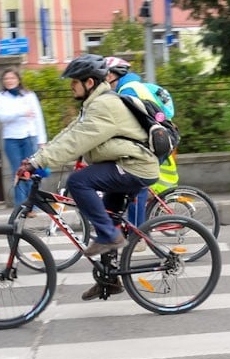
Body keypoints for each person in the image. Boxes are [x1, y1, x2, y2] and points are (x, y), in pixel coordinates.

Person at [17, 54, 160, 301]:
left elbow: (77, 142)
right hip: (123, 164)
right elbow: (69, 133)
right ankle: (109, 280)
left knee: (78, 181)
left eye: (74, 81)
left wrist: (38, 162)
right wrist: (36, 157)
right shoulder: (93, 104)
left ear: (90, 82)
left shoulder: (104, 106)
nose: (71, 85)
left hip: (136, 167)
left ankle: (110, 237)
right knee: (106, 219)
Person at [104, 56, 178, 229]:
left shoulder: (129, 91)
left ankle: (138, 235)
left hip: (157, 140)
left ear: (111, 76)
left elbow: (129, 123)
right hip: (156, 139)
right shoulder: (128, 88)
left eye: (103, 75)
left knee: (136, 181)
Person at [0, 69, 47, 207]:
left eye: (12, 78)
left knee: (31, 171)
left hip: (30, 136)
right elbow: (3, 117)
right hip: (11, 139)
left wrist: (42, 140)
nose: (9, 81)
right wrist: (22, 112)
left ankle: (32, 206)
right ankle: (21, 206)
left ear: (18, 79)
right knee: (18, 173)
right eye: (6, 79)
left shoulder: (29, 95)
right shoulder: (0, 97)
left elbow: (38, 117)